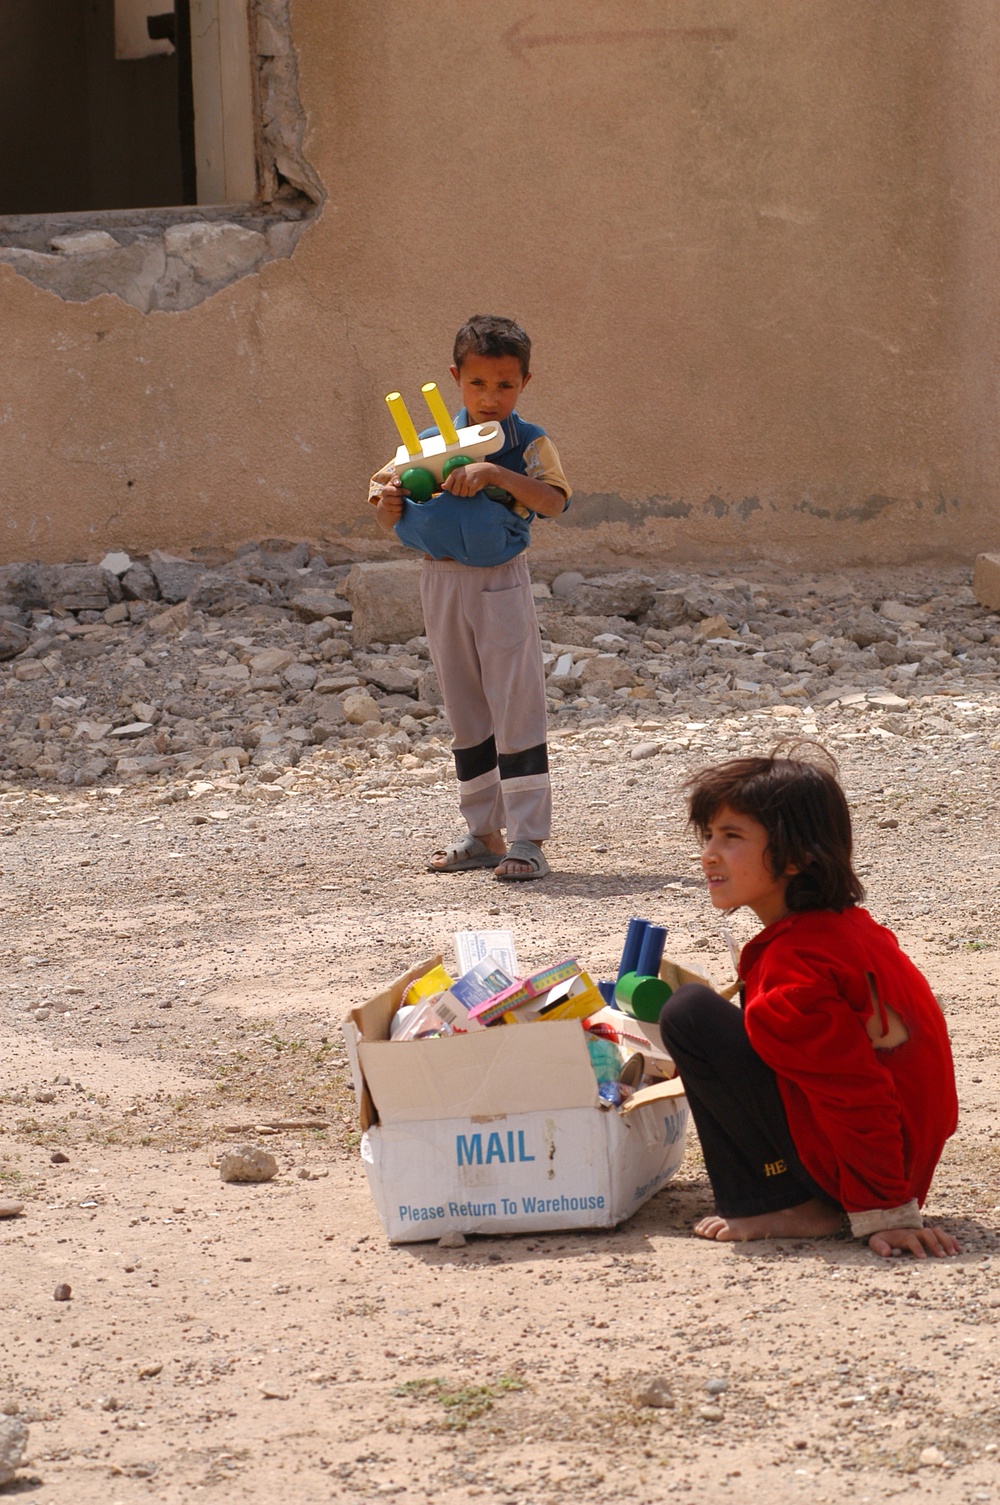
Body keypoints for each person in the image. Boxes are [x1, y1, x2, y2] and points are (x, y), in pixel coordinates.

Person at [658, 748, 960, 1258]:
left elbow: (858, 1092)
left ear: (796, 858)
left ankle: (782, 1202)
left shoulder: (796, 970)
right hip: (899, 1156)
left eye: (731, 837)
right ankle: (820, 1195)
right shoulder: (844, 928)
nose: (709, 852)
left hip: (874, 1171)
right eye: (708, 835)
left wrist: (886, 1211)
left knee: (689, 1015)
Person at [368, 314, 571, 880]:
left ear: (524, 383)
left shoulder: (528, 443)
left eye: (505, 384)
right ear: (456, 378)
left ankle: (528, 837)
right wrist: (388, 504)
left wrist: (495, 475)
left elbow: (554, 502)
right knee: (464, 707)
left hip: (499, 581)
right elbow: (384, 497)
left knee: (515, 702)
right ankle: (483, 831)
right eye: (479, 384)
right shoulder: (426, 443)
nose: (491, 396)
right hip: (441, 581)